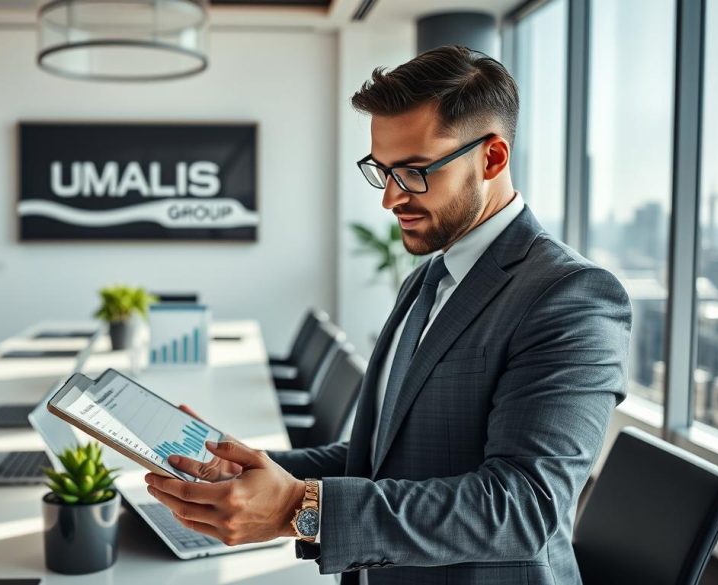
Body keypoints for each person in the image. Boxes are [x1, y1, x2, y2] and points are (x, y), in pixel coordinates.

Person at [144, 45, 632, 585]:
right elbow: (383, 456)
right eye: (383, 172)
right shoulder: (427, 279)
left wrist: (298, 509)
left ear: (492, 158)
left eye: (415, 172)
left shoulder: (571, 295)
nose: (391, 199)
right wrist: (253, 469)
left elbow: (523, 507)